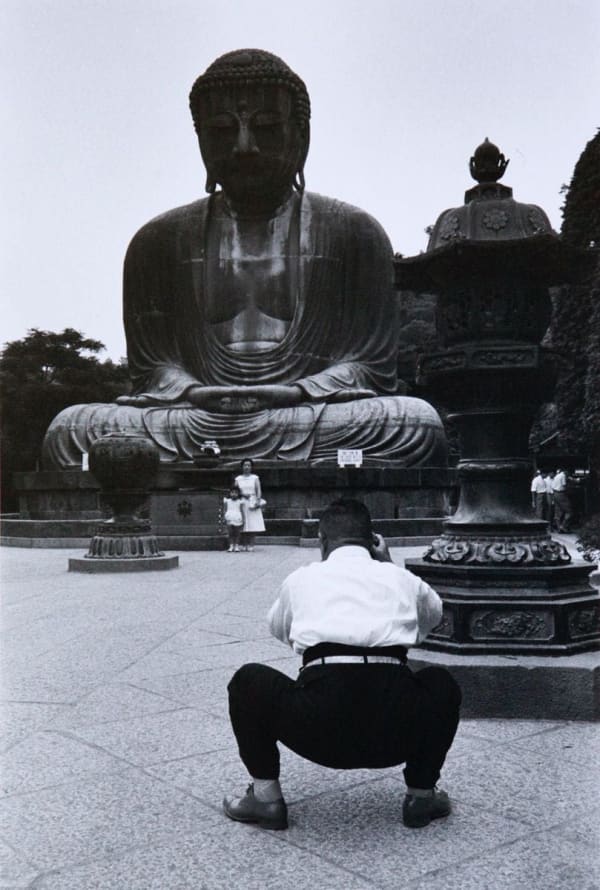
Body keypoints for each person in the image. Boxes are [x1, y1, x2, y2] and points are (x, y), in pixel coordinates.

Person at [41, 49, 447, 469]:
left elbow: (369, 368)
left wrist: (298, 392)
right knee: (71, 429)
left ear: (301, 135)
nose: (244, 147)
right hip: (195, 415)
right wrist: (191, 392)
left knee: (412, 423)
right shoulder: (156, 241)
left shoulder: (354, 232)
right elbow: (153, 370)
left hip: (307, 412)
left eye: (267, 128)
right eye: (221, 131)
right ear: (200, 140)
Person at [224, 498, 461, 831]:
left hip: (317, 729)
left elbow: (280, 630)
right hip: (395, 729)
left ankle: (265, 799)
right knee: (441, 683)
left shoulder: (302, 579)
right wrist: (389, 570)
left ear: (322, 541)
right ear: (373, 540)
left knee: (249, 681)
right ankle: (422, 794)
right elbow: (430, 618)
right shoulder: (399, 578)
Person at [234, 459, 266, 550]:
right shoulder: (238, 479)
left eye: (249, 465)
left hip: (252, 501)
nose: (247, 467)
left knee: (253, 523)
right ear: (242, 467)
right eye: (245, 465)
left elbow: (258, 490)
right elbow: (235, 490)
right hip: (242, 502)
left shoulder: (255, 478)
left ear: (251, 467)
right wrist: (243, 494)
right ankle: (244, 544)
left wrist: (258, 500)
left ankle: (251, 544)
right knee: (243, 523)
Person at [223, 484, 245, 552]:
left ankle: (236, 546)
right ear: (230, 493)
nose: (234, 494)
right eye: (232, 492)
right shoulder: (227, 501)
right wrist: (224, 517)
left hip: (237, 517)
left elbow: (241, 510)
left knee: (237, 533)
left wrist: (244, 519)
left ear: (238, 494)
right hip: (229, 516)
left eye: (236, 493)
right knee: (230, 532)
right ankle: (231, 545)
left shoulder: (240, 501)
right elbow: (225, 510)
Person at [552, 468, 572, 533]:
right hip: (561, 494)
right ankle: (563, 526)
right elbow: (564, 485)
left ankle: (558, 528)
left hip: (555, 494)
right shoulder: (563, 476)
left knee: (558, 511)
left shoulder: (557, 476)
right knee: (569, 511)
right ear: (566, 472)